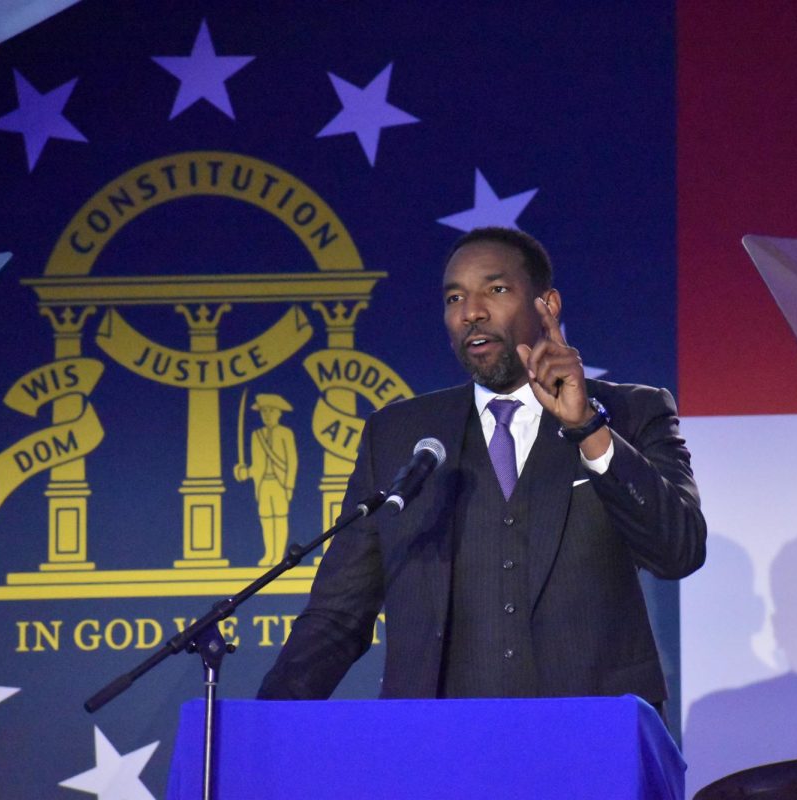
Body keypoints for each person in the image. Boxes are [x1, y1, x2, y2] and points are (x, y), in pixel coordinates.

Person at [257, 227, 706, 706]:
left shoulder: (634, 413)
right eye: (455, 297)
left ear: (547, 305)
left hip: (590, 740)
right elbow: (338, 614)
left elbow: (677, 550)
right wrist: (260, 729)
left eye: (495, 290)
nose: (471, 312)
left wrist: (589, 429)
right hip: (439, 748)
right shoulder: (396, 436)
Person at [234, 393, 298, 566]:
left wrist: (289, 487)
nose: (267, 415)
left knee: (280, 517)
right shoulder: (257, 435)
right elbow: (257, 466)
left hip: (280, 484)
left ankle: (279, 555)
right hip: (263, 484)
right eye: (264, 412)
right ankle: (270, 554)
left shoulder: (285, 433)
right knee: (266, 518)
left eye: (271, 411)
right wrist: (245, 473)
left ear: (278, 413)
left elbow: (292, 462)